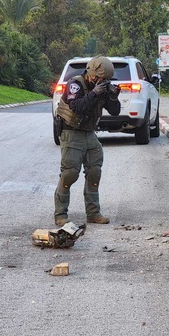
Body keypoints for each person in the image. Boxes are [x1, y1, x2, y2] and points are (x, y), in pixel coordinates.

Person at [54, 56, 121, 226]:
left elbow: (114, 111)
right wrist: (94, 93)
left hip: (89, 133)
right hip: (71, 132)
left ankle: (93, 213)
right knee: (70, 173)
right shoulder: (75, 84)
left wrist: (113, 97)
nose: (102, 82)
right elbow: (77, 106)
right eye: (100, 79)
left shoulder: (100, 88)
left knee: (94, 171)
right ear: (91, 74)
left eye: (106, 80)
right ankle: (60, 215)